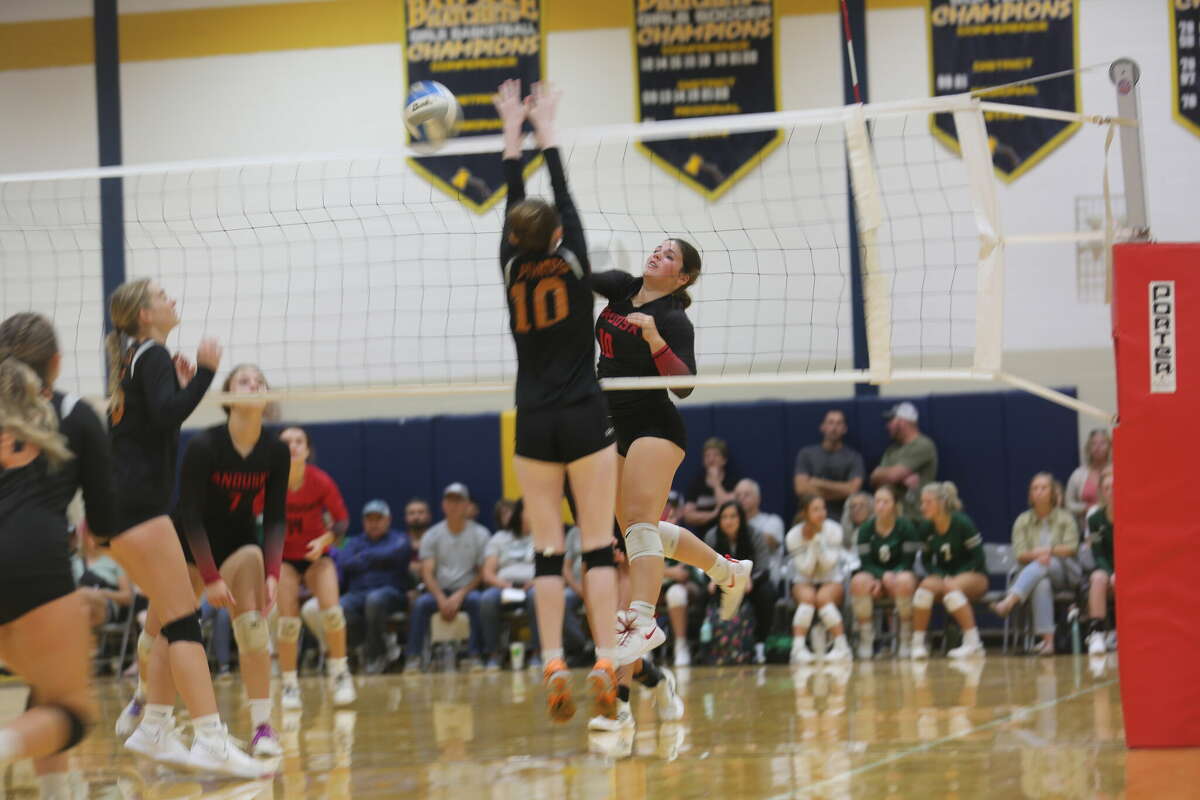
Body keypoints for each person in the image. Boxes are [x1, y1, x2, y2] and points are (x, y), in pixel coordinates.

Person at [495, 78, 623, 722]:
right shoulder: (571, 261)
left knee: (547, 551)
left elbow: (517, 208)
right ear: (555, 237)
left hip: (534, 422)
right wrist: (546, 130)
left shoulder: (512, 268)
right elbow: (561, 198)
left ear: (514, 241)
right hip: (583, 413)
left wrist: (511, 134)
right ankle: (604, 657)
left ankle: (551, 661)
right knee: (597, 545)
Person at [103, 280, 268, 777]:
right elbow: (171, 414)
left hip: (128, 510)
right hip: (141, 511)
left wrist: (178, 384)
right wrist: (208, 372)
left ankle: (154, 725)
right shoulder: (150, 353)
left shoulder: (140, 358)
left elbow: (157, 422)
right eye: (161, 295)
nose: (172, 298)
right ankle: (211, 741)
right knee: (181, 625)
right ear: (143, 314)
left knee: (172, 621)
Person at [590, 183, 751, 675]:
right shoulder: (621, 288)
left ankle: (644, 620)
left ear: (682, 277)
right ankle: (727, 570)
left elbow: (684, 387)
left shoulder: (674, 319)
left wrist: (655, 337)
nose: (658, 254)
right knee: (638, 534)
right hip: (612, 420)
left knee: (638, 524)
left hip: (655, 423)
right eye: (658, 248)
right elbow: (579, 278)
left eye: (669, 255)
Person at [0, 312, 119, 795]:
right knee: (71, 709)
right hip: (33, 558)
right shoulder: (76, 413)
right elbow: (106, 519)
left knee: (45, 693)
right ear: (55, 364)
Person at [174, 363, 290, 756]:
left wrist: (273, 573)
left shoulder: (275, 450)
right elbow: (189, 515)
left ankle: (262, 727)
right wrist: (208, 576)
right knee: (163, 629)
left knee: (254, 625)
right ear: (227, 395)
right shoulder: (206, 445)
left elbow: (275, 516)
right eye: (244, 379)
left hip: (238, 542)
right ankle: (147, 705)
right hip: (190, 542)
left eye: (260, 380)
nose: (254, 384)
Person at [271, 425, 354, 710]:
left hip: (317, 556)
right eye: (287, 442)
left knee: (332, 613)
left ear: (307, 450)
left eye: (299, 441)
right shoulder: (269, 483)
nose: (293, 446)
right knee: (287, 623)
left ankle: (340, 673)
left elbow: (343, 521)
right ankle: (290, 684)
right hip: (284, 559)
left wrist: (327, 539)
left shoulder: (320, 481)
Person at [991, 473, 1080, 656]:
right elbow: (1020, 553)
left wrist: (1048, 551)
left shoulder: (1065, 518)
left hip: (1063, 572)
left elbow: (1071, 548)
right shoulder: (1022, 521)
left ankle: (1009, 601)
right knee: (1041, 583)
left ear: (1053, 493)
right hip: (1035, 574)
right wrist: (1036, 555)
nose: (1038, 492)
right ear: (1030, 495)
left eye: (1043, 488)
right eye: (1034, 488)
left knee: (1045, 564)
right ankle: (1048, 642)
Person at [405, 483, 489, 672]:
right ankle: (413, 657)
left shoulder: (480, 534)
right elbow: (427, 572)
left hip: (468, 591)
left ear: (467, 505)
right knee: (420, 605)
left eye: (459, 500)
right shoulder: (432, 535)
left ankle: (475, 656)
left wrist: (460, 595)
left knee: (478, 602)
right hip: (439, 592)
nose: (454, 505)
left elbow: (482, 572)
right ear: (443, 505)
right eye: (450, 500)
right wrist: (441, 598)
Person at [911, 482, 987, 659]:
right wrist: (939, 574)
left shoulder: (962, 522)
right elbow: (926, 560)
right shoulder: (926, 528)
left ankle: (974, 643)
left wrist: (957, 576)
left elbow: (978, 558)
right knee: (925, 587)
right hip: (946, 577)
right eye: (922, 502)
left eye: (928, 502)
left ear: (942, 503)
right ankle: (918, 644)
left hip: (975, 574)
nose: (923, 507)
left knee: (950, 587)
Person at [339, 500, 412, 674]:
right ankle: (365, 647)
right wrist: (381, 560)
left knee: (375, 600)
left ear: (388, 520)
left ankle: (376, 655)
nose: (374, 523)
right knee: (342, 605)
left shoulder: (400, 538)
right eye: (369, 519)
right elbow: (344, 562)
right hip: (358, 593)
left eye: (378, 519)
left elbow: (398, 553)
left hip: (391, 592)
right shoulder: (354, 542)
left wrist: (364, 557)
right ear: (364, 522)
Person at [849, 485, 919, 659]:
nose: (880, 506)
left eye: (885, 502)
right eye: (878, 501)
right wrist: (881, 578)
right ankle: (866, 639)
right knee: (858, 582)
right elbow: (866, 563)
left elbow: (908, 561)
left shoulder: (905, 526)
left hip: (900, 577)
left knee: (904, 581)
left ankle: (905, 638)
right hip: (876, 579)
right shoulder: (865, 529)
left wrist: (891, 575)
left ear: (894, 505)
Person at [704, 501, 775, 659]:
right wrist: (713, 579)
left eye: (733, 516)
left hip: (750, 584)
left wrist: (750, 579)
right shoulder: (712, 536)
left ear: (741, 518)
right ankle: (711, 646)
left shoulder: (754, 534)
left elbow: (764, 568)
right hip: (721, 582)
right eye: (724, 517)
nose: (729, 521)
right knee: (703, 594)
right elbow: (703, 565)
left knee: (767, 592)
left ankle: (760, 644)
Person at [786, 495, 851, 662]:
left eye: (823, 508)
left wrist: (816, 540)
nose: (821, 513)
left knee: (823, 598)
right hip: (804, 580)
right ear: (805, 513)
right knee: (808, 598)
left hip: (831, 578)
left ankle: (842, 647)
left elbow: (829, 564)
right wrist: (812, 544)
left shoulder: (834, 530)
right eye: (815, 509)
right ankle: (798, 649)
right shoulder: (793, 535)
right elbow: (806, 570)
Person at [479, 498, 535, 670]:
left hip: (533, 586)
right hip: (504, 587)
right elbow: (487, 573)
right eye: (503, 514)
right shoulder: (498, 539)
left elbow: (552, 570)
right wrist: (506, 586)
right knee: (487, 599)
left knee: (539, 597)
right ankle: (494, 654)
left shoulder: (539, 535)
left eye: (511, 511)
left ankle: (537, 653)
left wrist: (534, 582)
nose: (509, 516)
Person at [793, 409, 865, 521]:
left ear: (844, 429)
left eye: (838, 423)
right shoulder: (806, 454)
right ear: (823, 427)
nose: (834, 428)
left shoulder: (854, 457)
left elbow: (853, 490)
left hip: (841, 517)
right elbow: (801, 489)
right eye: (830, 422)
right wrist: (842, 490)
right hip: (808, 516)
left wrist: (818, 483)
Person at [870, 402, 938, 519]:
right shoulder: (891, 450)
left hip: (917, 518)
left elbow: (893, 476)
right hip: (893, 519)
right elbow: (874, 480)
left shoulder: (923, 445)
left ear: (901, 422)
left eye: (891, 421)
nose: (887, 426)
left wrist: (889, 475)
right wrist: (897, 478)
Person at [71, 522, 133, 630]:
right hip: (77, 605)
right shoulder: (73, 562)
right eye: (89, 534)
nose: (93, 538)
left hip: (104, 605)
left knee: (85, 603)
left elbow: (128, 597)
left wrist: (103, 593)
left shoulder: (115, 561)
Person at [1084, 467, 1115, 656]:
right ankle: (1096, 633)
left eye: (1115, 486)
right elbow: (1098, 554)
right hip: (1107, 570)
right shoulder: (1095, 519)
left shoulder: (1133, 515)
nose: (1111, 491)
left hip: (1131, 571)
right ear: (1102, 492)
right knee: (1096, 578)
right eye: (1107, 487)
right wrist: (1111, 574)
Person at [682, 438, 739, 530]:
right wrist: (713, 514)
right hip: (703, 536)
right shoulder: (697, 482)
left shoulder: (733, 481)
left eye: (716, 455)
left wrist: (716, 483)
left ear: (724, 460)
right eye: (707, 456)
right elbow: (688, 516)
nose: (711, 459)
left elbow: (727, 507)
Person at [1066, 429, 1111, 528]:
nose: (1098, 447)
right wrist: (1086, 508)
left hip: (1115, 527)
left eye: (1102, 443)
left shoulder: (1118, 471)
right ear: (1088, 448)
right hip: (1086, 529)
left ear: (1109, 447)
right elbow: (1068, 503)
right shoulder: (1078, 474)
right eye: (1093, 444)